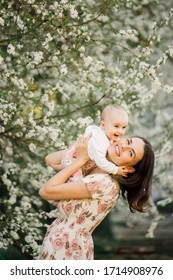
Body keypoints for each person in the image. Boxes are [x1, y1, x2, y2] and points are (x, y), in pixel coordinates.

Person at [38, 134, 154, 260]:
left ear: (129, 168)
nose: (124, 146)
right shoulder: (93, 165)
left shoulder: (105, 183)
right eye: (128, 141)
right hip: (59, 239)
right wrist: (89, 148)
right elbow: (51, 160)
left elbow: (46, 191)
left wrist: (81, 160)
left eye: (130, 153)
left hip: (67, 247)